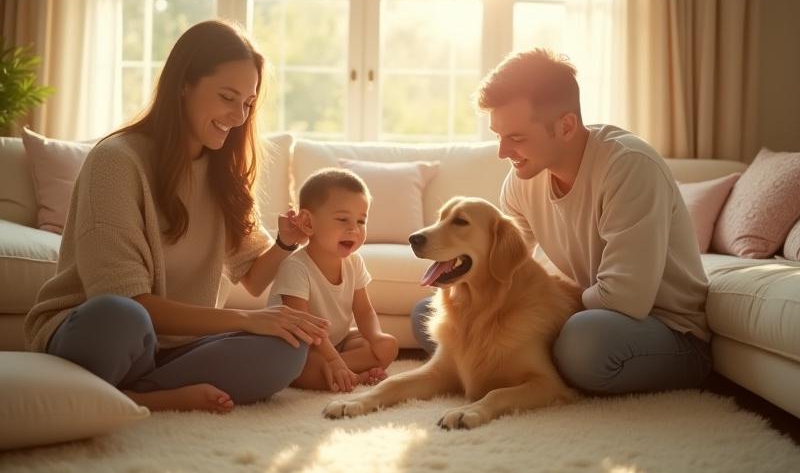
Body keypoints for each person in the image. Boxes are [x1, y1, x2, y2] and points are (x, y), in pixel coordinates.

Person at [23, 19, 330, 414]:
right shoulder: (115, 162)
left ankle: (137, 394)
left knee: (287, 349)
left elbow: (253, 278)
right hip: (101, 333)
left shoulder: (224, 172)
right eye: (227, 97)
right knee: (122, 318)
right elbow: (125, 299)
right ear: (184, 84)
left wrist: (287, 243)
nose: (239, 116)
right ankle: (140, 394)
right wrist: (247, 320)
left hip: (177, 347)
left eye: (248, 103)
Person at [411, 48, 712, 395]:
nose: (502, 152)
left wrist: (539, 316)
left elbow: (626, 299)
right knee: (433, 316)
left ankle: (544, 372)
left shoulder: (629, 167)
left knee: (582, 343)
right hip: (588, 314)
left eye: (517, 138)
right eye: (499, 136)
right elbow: (511, 269)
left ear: (566, 125)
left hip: (668, 331)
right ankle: (535, 374)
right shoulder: (522, 180)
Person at [269, 168, 399, 393]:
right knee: (304, 366)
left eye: (361, 221)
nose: (354, 229)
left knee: (387, 345)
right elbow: (305, 328)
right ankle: (346, 374)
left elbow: (364, 311)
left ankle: (340, 373)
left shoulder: (354, 262)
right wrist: (332, 360)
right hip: (299, 345)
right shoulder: (296, 267)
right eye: (342, 219)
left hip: (337, 341)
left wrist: (375, 337)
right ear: (308, 223)